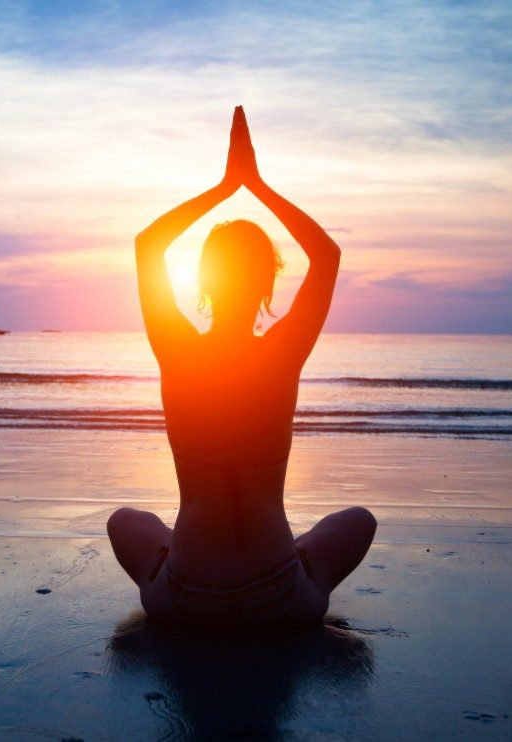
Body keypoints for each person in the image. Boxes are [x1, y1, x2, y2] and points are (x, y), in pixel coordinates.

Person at [107, 106, 376, 627]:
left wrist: (225, 186)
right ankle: (298, 564)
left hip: (185, 601)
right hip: (277, 601)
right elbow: (326, 255)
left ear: (204, 282)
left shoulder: (177, 349)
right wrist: (256, 184)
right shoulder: (282, 353)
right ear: (267, 284)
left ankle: (171, 565)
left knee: (126, 521)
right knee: (358, 520)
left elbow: (148, 245)